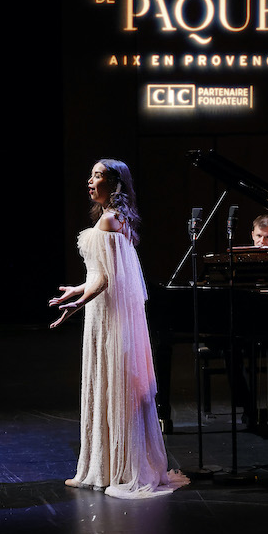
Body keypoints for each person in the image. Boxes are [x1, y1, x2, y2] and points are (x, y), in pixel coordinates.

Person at [49, 159, 189, 499]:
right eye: (90, 175)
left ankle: (112, 470)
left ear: (114, 184)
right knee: (106, 382)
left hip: (108, 315)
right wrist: (76, 291)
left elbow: (108, 279)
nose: (90, 180)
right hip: (105, 312)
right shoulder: (115, 218)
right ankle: (101, 468)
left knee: (111, 382)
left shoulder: (110, 220)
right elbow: (101, 274)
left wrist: (79, 303)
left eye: (97, 176)